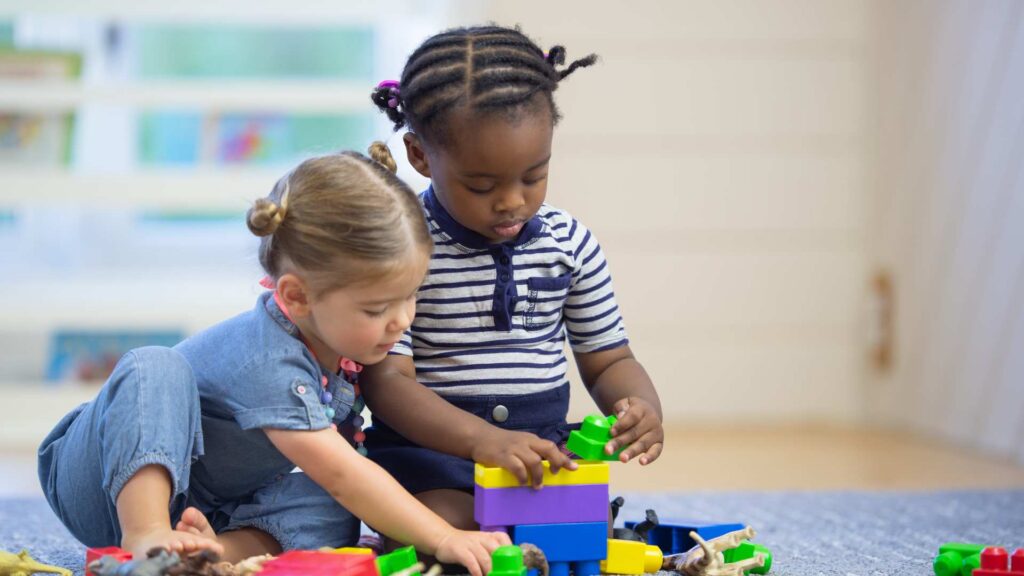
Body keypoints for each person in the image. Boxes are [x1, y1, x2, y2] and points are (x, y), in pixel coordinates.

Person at [37, 144, 509, 575]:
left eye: (410, 297)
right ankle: (147, 539)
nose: (401, 321)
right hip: (101, 481)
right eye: (376, 309)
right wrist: (443, 535)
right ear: (297, 296)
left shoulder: (339, 343)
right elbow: (344, 470)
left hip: (211, 501)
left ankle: (209, 554)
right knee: (154, 366)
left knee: (332, 509)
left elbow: (342, 479)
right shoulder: (270, 359)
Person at [362, 25, 664, 537]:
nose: (511, 201)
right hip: (435, 455)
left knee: (581, 530)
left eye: (533, 176)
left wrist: (640, 408)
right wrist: (480, 441)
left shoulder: (570, 244)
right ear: (419, 156)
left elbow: (609, 358)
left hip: (540, 455)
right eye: (481, 185)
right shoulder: (404, 245)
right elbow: (386, 380)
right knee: (437, 525)